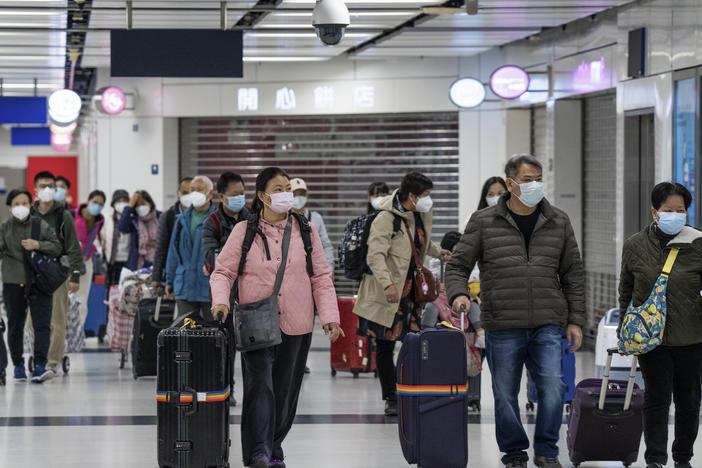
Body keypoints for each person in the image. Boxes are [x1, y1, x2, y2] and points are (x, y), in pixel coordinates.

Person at [446, 154, 585, 468]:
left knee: (553, 387)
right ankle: (514, 454)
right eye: (527, 179)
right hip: (503, 322)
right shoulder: (483, 221)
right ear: (509, 184)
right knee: (505, 394)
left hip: (548, 321)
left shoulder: (558, 220)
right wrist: (458, 294)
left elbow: (573, 273)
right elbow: (457, 266)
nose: (535, 184)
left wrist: (576, 319)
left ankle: (547, 451)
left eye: (538, 178)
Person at [210, 167, 342, 468]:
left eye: (288, 189)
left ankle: (274, 447)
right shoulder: (244, 231)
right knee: (260, 388)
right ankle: (259, 452)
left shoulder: (305, 230)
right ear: (262, 196)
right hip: (256, 322)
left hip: (297, 322)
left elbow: (321, 276)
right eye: (279, 188)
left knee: (285, 391)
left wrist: (330, 317)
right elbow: (223, 271)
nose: (286, 195)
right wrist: (220, 302)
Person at [618, 182, 702, 468]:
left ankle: (683, 458)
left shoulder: (698, 244)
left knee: (689, 403)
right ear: (655, 212)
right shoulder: (634, 245)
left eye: (681, 210)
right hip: (651, 340)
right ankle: (655, 459)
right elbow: (626, 292)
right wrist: (624, 332)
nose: (676, 215)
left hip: (691, 337)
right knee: (656, 400)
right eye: (669, 210)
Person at [353, 172, 449, 417]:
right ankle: (390, 397)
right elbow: (375, 254)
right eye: (426, 196)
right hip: (389, 292)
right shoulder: (386, 218)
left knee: (413, 342)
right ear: (412, 196)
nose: (429, 200)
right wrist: (387, 284)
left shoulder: (420, 214)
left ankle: (408, 389)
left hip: (412, 292)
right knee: (385, 346)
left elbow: (421, 245)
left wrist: (440, 253)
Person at [1, 189, 62, 383]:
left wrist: (38, 245)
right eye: (16, 204)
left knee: (42, 325)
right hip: (13, 281)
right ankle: (17, 364)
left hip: (38, 281)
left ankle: (40, 364)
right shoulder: (4, 228)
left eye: (24, 203)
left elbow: (57, 247)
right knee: (15, 324)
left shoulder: (39, 225)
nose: (21, 207)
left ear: (31, 205)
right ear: (10, 208)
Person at [30, 171, 83, 377]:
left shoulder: (63, 216)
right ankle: (42, 355)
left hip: (57, 275)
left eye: (51, 186)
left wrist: (75, 275)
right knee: (32, 321)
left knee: (56, 319)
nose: (47, 190)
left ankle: (51, 363)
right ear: (35, 190)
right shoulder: (29, 214)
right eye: (42, 186)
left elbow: (73, 247)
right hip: (32, 275)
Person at [165, 176, 216, 319]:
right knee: (185, 335)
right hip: (184, 286)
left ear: (210, 194)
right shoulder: (181, 220)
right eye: (192, 190)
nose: (195, 193)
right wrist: (169, 281)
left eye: (200, 190)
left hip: (209, 289)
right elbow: (173, 253)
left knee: (212, 334)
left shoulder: (217, 220)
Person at [202, 171, 250, 274]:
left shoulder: (252, 218)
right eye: (234, 194)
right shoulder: (212, 222)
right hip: (224, 282)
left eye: (241, 193)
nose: (239, 197)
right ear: (221, 197)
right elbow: (211, 256)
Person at [152, 177, 193, 291]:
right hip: (175, 273)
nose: (188, 196)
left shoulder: (203, 217)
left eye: (192, 193)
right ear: (178, 193)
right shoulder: (168, 216)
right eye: (185, 193)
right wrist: (157, 277)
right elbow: (160, 248)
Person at [73, 190, 106, 326]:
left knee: (82, 299)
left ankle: (78, 333)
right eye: (95, 202)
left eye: (100, 204)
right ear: (88, 201)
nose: (97, 206)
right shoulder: (72, 215)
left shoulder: (100, 221)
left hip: (86, 262)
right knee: (65, 299)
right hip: (70, 262)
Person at [290, 177, 335, 272]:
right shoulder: (283, 219)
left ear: (306, 195)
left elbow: (326, 246)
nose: (298, 198)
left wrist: (329, 268)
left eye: (301, 194)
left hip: (315, 270)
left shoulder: (316, 218)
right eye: (294, 194)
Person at [117, 190, 161, 271]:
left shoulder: (160, 217)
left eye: (143, 204)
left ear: (150, 203)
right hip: (138, 262)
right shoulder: (134, 220)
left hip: (159, 261)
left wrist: (156, 242)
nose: (140, 208)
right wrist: (129, 205)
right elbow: (121, 227)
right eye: (137, 205)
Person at [103, 189, 131, 288]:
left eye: (124, 201)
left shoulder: (132, 218)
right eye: (118, 201)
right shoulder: (107, 218)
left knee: (126, 289)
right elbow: (102, 236)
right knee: (111, 290)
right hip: (111, 260)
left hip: (128, 261)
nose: (121, 203)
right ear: (113, 203)